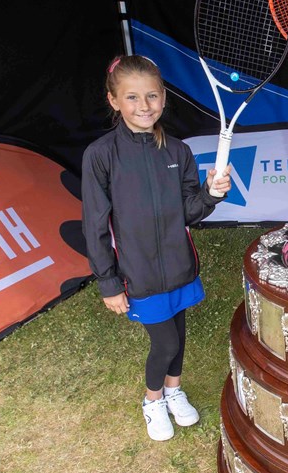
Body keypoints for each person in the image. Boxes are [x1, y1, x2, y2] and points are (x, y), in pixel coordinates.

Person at [82, 54, 232, 441]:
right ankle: (152, 401)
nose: (144, 106)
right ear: (114, 101)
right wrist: (108, 282)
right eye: (132, 97)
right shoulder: (101, 155)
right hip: (138, 273)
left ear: (163, 98)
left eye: (151, 96)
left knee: (178, 336)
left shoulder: (178, 151)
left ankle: (173, 390)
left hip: (179, 266)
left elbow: (190, 212)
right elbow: (95, 223)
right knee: (163, 341)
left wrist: (211, 194)